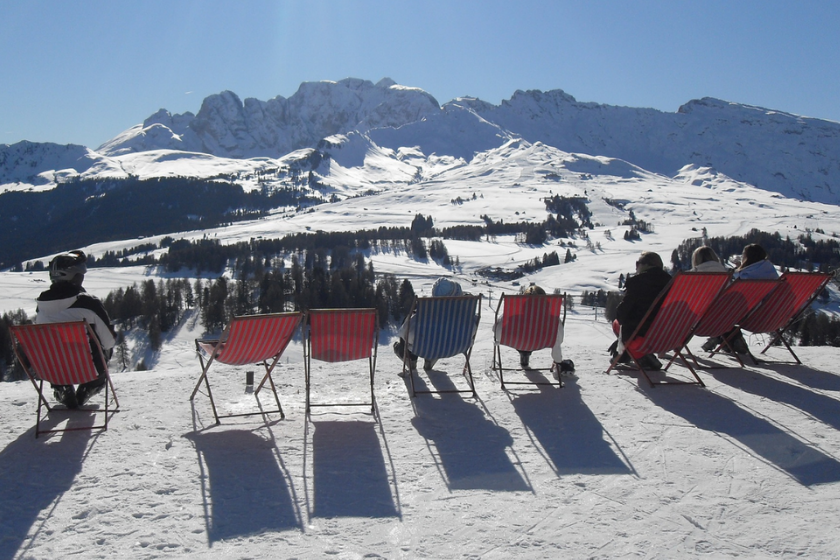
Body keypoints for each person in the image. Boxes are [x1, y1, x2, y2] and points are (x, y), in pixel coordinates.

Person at [35, 250, 116, 408]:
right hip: (89, 369)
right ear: (75, 276)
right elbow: (109, 342)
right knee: (104, 344)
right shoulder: (88, 303)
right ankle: (89, 387)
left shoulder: (41, 307)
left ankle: (62, 387)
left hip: (52, 370)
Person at [702, 243, 778, 353]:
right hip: (771, 314)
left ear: (748, 257)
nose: (742, 257)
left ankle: (721, 337)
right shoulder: (770, 271)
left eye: (743, 254)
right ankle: (727, 339)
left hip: (752, 315)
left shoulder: (746, 276)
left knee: (724, 310)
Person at [393, 277, 472, 374]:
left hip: (428, 347)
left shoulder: (427, 312)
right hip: (458, 345)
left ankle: (411, 359)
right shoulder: (466, 312)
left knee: (408, 326)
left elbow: (407, 334)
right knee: (439, 335)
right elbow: (472, 329)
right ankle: (431, 358)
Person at [611, 251, 672, 370]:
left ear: (646, 265)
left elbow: (621, 315)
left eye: (638, 263)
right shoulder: (672, 282)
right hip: (668, 336)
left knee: (616, 324)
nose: (636, 266)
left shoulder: (638, 282)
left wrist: (621, 341)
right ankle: (635, 355)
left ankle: (634, 354)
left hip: (642, 339)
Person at [493, 284, 565, 371]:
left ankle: (524, 353)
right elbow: (559, 338)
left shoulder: (513, 316)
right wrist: (558, 358)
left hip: (516, 341)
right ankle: (526, 353)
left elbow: (495, 329)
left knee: (523, 339)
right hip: (541, 342)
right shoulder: (553, 319)